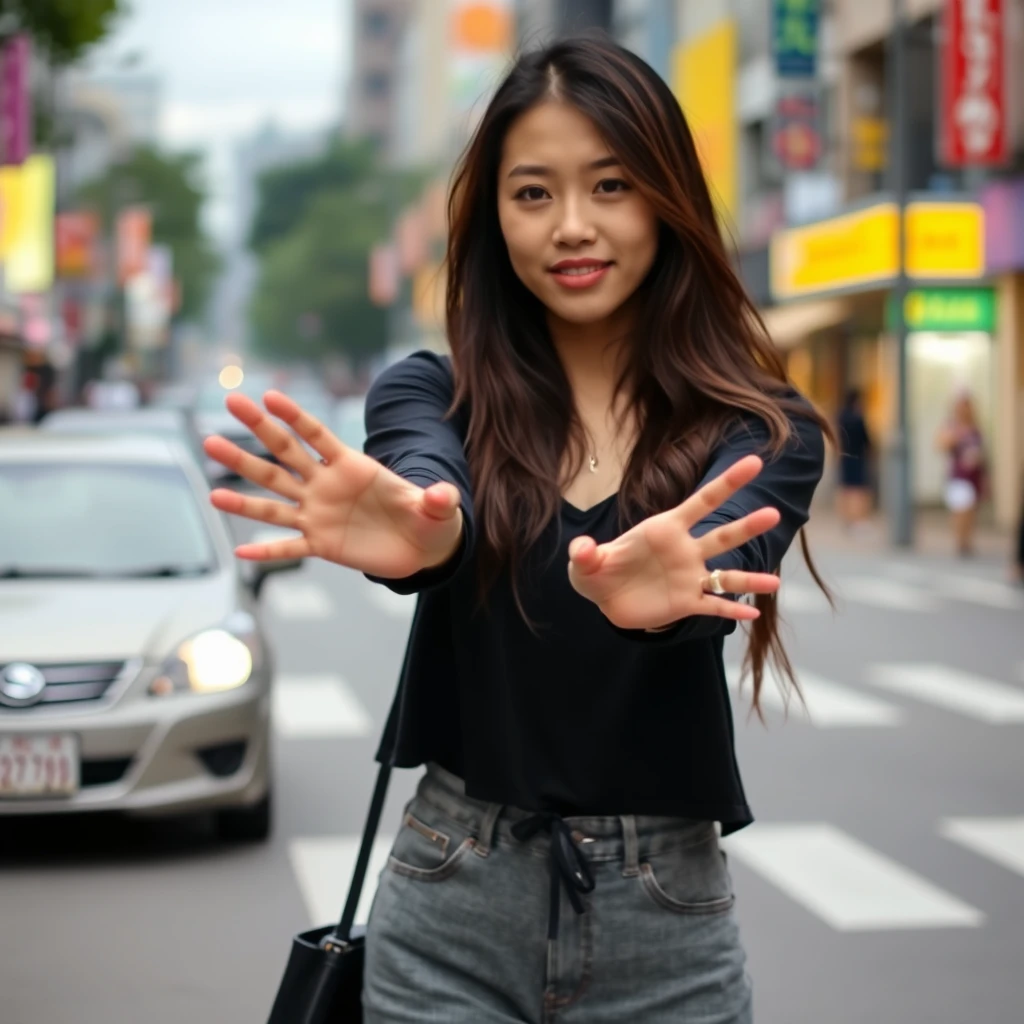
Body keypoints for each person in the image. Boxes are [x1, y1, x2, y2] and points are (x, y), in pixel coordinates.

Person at [205, 36, 829, 1024]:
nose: (572, 227)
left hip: (665, 917)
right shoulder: (431, 393)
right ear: (493, 217)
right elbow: (428, 491)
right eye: (532, 193)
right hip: (452, 891)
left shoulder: (760, 432)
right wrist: (433, 538)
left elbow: (729, 566)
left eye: (611, 185)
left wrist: (669, 601)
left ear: (667, 195)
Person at [936, 389, 987, 557]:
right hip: (958, 475)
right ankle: (960, 542)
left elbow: (982, 451)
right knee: (960, 509)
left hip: (974, 474)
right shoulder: (952, 426)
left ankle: (967, 541)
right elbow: (941, 444)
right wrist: (956, 437)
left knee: (971, 510)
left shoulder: (976, 427)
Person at [836, 388, 872, 530]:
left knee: (845, 488)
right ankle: (857, 520)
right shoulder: (858, 418)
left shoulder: (841, 416)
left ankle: (847, 518)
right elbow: (866, 439)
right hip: (858, 456)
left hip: (845, 455)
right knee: (858, 489)